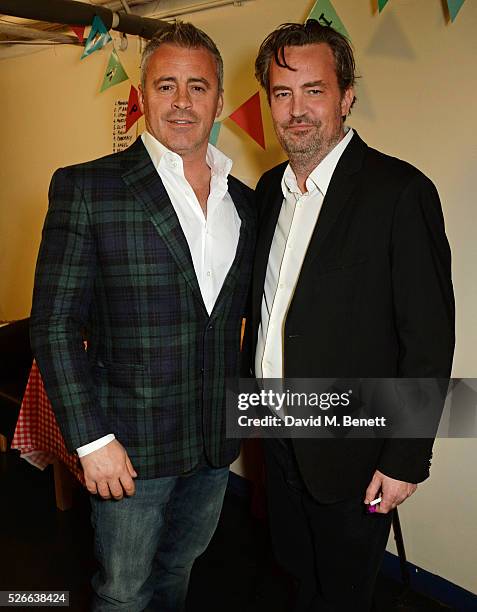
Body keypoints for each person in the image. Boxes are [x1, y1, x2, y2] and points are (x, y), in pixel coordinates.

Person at [30, 22, 255, 612]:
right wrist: (90, 439)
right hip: (126, 448)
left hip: (213, 444)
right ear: (143, 95)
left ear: (219, 101)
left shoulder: (248, 202)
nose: (182, 102)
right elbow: (53, 325)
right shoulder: (87, 188)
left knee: (179, 570)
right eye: (166, 86)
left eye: (198, 87)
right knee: (123, 591)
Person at [248, 20, 454, 611]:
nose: (297, 110)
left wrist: (405, 458)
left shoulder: (399, 192)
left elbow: (429, 339)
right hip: (276, 435)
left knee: (344, 594)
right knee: (295, 574)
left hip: (354, 452)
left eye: (314, 90)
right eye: (283, 94)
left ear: (346, 96)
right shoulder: (267, 192)